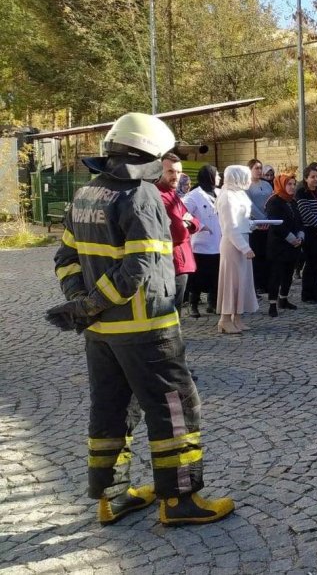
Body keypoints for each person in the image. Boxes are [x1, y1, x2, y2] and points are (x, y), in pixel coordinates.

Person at [47, 112, 233, 527]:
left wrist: (82, 304)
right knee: (176, 408)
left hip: (100, 336)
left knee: (111, 410)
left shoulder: (86, 195)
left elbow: (66, 259)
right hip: (147, 330)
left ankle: (112, 498)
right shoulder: (140, 196)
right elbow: (138, 269)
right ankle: (180, 500)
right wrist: (92, 304)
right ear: (147, 154)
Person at [216, 165, 257, 333]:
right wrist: (244, 247)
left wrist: (252, 225)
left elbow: (242, 219)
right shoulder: (226, 196)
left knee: (243, 281)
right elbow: (230, 227)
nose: (248, 180)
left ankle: (237, 318)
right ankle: (224, 320)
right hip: (233, 244)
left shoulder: (238, 194)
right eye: (245, 177)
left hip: (242, 238)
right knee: (231, 282)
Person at [156, 153, 200, 310]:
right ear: (159, 171)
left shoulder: (172, 194)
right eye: (170, 171)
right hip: (170, 263)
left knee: (175, 312)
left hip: (180, 261)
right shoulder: (159, 196)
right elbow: (178, 233)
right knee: (170, 313)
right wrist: (185, 223)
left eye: (179, 172)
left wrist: (188, 223)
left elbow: (194, 221)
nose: (176, 176)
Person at [183, 165, 221, 317]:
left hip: (218, 242)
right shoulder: (193, 196)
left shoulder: (219, 193)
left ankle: (213, 302)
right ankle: (193, 304)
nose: (219, 177)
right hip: (201, 244)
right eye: (217, 174)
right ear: (209, 176)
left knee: (216, 275)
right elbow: (183, 214)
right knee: (197, 277)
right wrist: (201, 226)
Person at [264, 173, 304, 317]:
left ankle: (283, 299)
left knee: (288, 274)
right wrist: (291, 238)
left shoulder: (293, 201)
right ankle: (272, 304)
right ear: (282, 185)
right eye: (289, 184)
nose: (292, 187)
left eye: (294, 184)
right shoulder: (274, 201)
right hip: (278, 245)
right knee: (276, 275)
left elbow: (299, 220)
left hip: (293, 245)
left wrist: (300, 235)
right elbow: (276, 224)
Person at [296, 165, 317, 304]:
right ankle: (307, 294)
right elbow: (305, 213)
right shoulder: (302, 193)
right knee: (310, 264)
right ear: (306, 178)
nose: (316, 179)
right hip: (310, 232)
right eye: (312, 177)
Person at [245, 159, 272, 294]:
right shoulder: (246, 186)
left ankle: (267, 282)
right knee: (257, 254)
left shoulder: (267, 185)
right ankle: (257, 284)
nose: (259, 171)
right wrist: (262, 219)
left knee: (267, 253)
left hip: (268, 224)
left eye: (260, 168)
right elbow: (249, 206)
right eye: (256, 168)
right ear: (249, 170)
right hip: (255, 225)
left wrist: (269, 218)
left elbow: (271, 200)